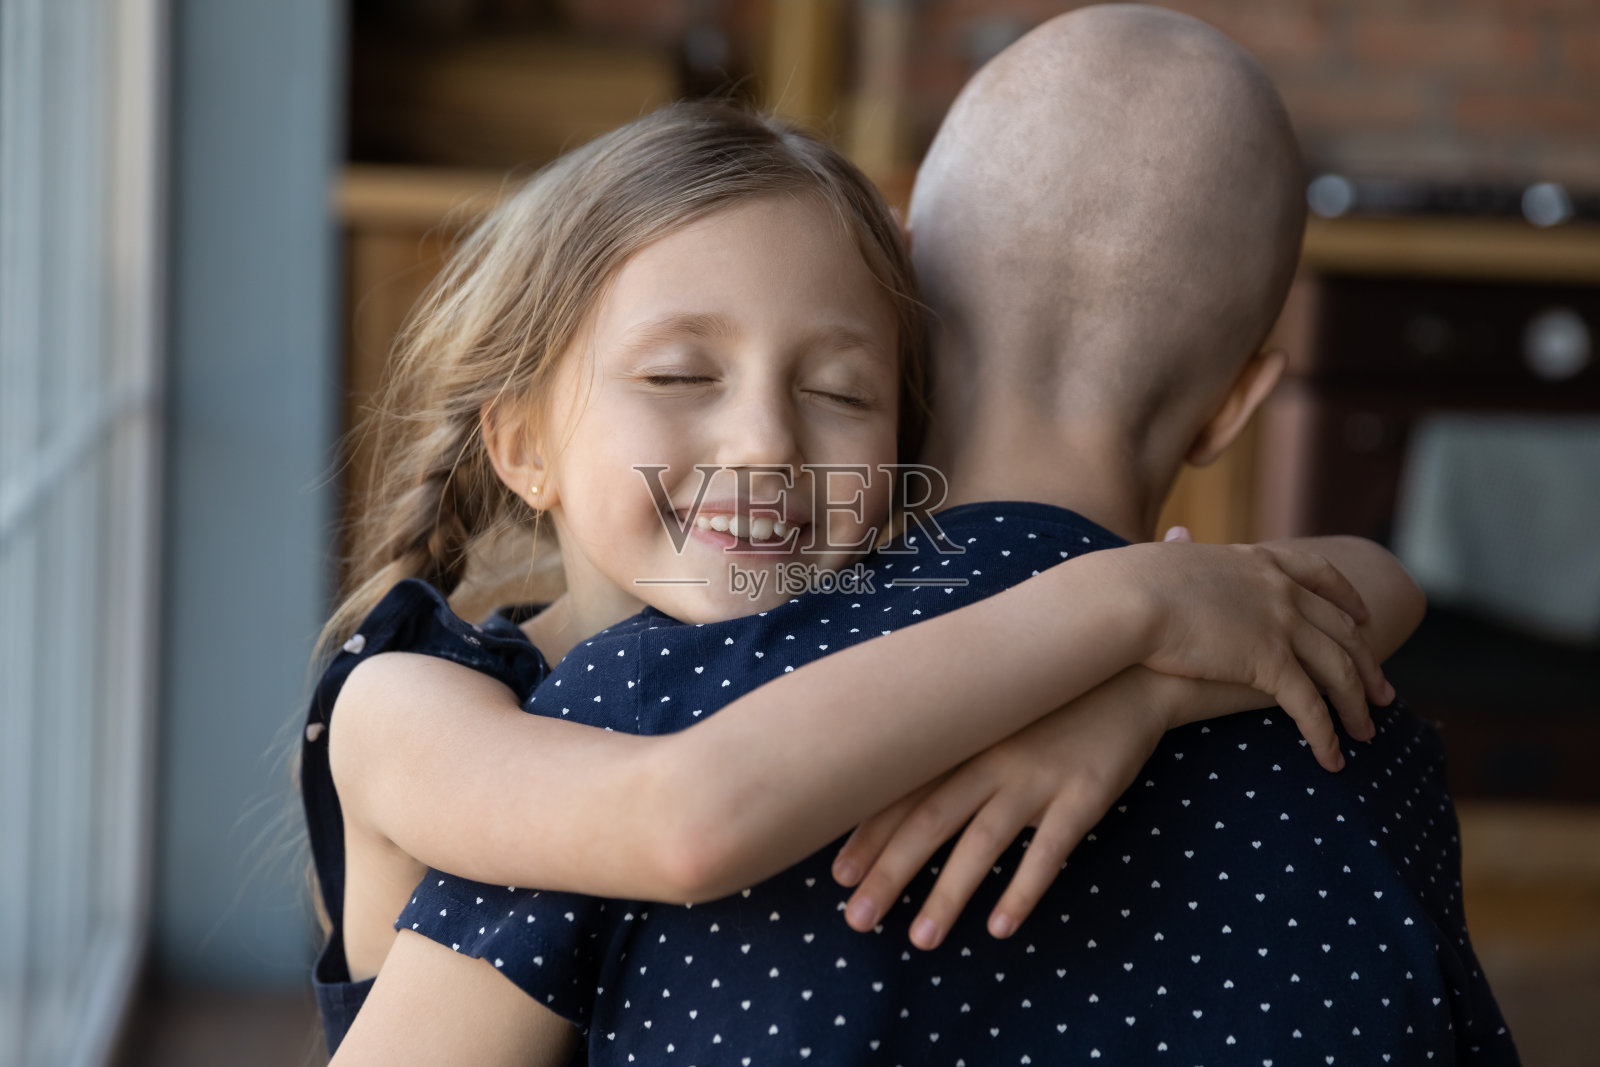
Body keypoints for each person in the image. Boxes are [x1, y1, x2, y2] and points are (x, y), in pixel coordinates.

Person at [324, 6, 1517, 1066]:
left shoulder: (719, 665)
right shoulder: (431, 701)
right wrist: (1129, 607)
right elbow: (682, 814)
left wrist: (1142, 689)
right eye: (680, 373)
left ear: (908, 345)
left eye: (832, 389)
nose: (764, 444)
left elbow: (1364, 587)